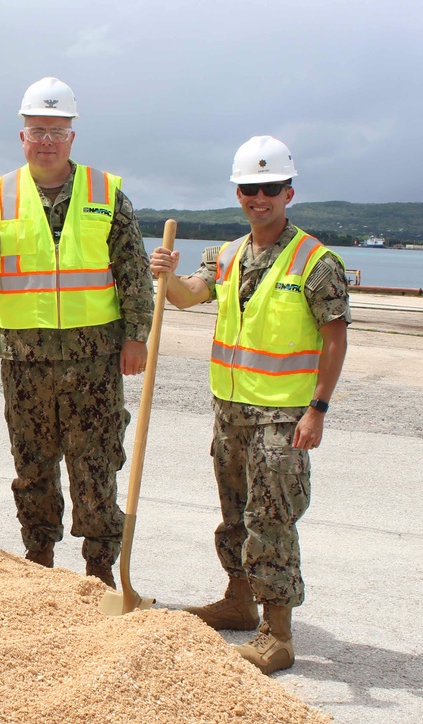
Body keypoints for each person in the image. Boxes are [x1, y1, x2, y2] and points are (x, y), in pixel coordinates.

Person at [148, 135, 349, 675]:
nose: (258, 197)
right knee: (234, 513)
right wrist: (166, 276)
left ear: (288, 192)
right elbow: (191, 294)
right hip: (231, 411)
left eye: (269, 188)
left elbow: (334, 338)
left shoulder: (316, 261)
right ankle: (239, 601)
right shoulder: (229, 255)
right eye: (248, 189)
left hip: (283, 417)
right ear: (237, 193)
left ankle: (277, 634)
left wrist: (318, 410)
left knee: (272, 518)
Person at [0, 78, 154, 585]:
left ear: (72, 136)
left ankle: (98, 571)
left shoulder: (105, 192)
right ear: (23, 137)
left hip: (94, 357)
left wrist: (137, 337)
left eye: (56, 131)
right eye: (37, 130)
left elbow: (131, 270)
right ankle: (39, 558)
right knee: (32, 463)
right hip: (25, 359)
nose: (46, 140)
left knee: (96, 463)